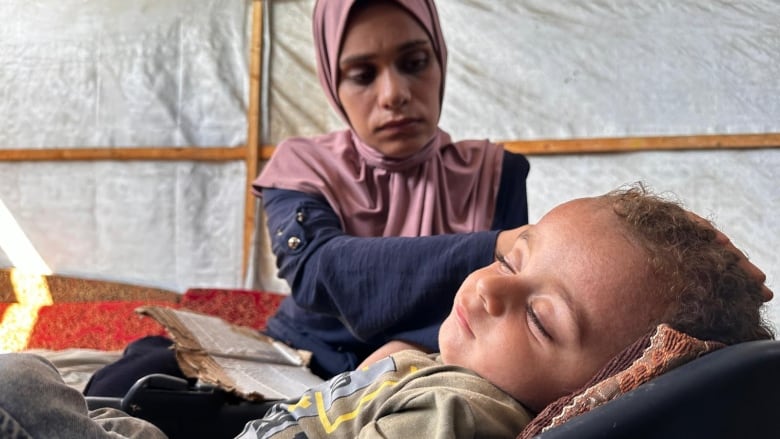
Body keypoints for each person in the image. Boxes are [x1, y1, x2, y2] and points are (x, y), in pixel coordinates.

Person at [1, 185, 773, 438]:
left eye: (541, 321)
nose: (485, 288)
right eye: (511, 257)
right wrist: (398, 366)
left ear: (588, 397)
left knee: (25, 385)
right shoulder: (448, 381)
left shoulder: (462, 411)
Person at [84, 0, 531, 397]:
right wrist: (492, 245)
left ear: (440, 61)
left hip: (428, 368)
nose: (394, 94)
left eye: (414, 62)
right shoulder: (302, 165)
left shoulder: (494, 173)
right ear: (332, 83)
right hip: (299, 357)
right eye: (361, 75)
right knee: (130, 382)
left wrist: (413, 350)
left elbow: (502, 307)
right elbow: (319, 269)